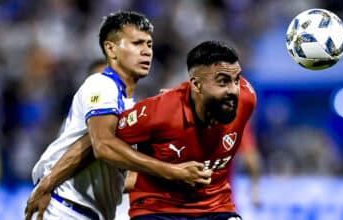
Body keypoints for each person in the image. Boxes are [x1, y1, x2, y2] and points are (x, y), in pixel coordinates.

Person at [25, 11, 211, 220]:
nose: (146, 52)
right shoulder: (101, 84)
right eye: (137, 43)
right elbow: (103, 146)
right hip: (65, 208)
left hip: (88, 212)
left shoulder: (128, 107)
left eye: (149, 45)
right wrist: (173, 172)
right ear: (111, 49)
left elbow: (102, 158)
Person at [114, 40, 257, 219]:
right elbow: (105, 143)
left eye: (236, 80)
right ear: (196, 85)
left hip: (216, 207)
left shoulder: (245, 100)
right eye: (223, 82)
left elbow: (251, 156)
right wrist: (169, 171)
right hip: (158, 208)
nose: (234, 90)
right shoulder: (159, 112)